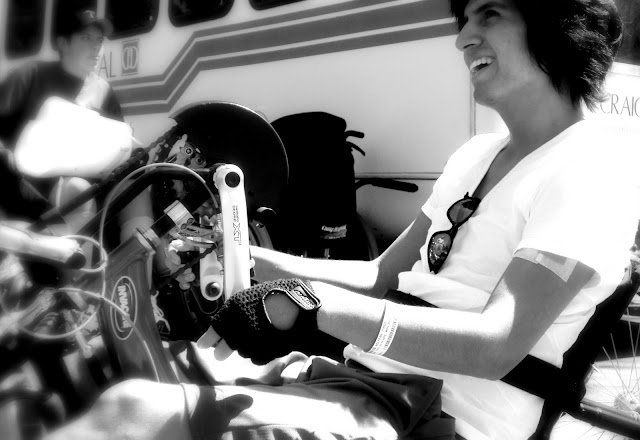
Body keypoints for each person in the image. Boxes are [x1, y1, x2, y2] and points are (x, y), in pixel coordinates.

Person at [43, 0, 639, 439]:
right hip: (364, 380)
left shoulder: (590, 169)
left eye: (489, 14)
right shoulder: (476, 155)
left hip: (439, 415)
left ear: (556, 23)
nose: (463, 38)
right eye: (464, 19)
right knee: (128, 367)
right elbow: (381, 276)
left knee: (133, 413)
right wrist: (244, 258)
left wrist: (312, 306)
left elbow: (496, 346)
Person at [0, 8, 122, 230]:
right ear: (63, 43)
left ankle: (148, 249)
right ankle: (63, 249)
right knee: (80, 193)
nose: (96, 47)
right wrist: (15, 168)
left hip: (85, 179)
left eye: (99, 40)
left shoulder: (103, 90)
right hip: (25, 183)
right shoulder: (30, 75)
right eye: (86, 38)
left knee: (134, 186)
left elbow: (118, 147)